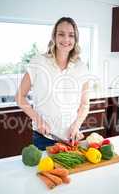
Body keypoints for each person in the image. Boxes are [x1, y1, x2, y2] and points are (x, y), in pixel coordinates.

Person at [15, 17, 90, 150]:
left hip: (71, 138)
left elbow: (84, 104)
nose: (66, 39)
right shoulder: (39, 62)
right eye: (61, 34)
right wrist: (39, 121)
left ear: (75, 39)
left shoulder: (81, 67)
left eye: (71, 35)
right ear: (54, 37)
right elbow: (19, 97)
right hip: (45, 139)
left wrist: (76, 126)